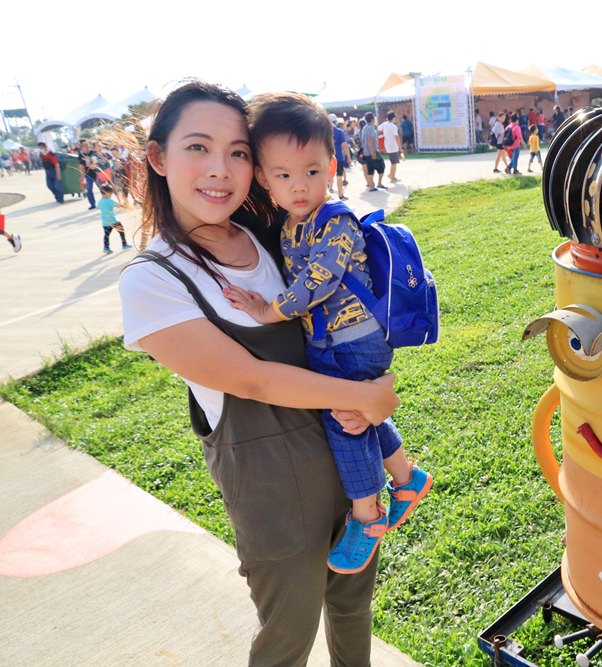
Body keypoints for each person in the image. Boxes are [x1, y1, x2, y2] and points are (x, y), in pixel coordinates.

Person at [118, 81, 400, 666]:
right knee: (287, 639)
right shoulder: (153, 280)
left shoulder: (277, 237)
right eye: (198, 147)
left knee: (352, 609)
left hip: (349, 466)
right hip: (274, 496)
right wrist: (367, 396)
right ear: (159, 158)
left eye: (239, 153)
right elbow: (251, 379)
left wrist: (373, 387)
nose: (220, 169)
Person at [221, 92, 433, 574]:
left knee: (346, 421)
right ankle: (407, 478)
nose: (300, 186)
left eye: (312, 172)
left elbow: (320, 281)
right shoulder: (292, 225)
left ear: (332, 164)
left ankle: (367, 515)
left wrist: (269, 310)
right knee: (361, 413)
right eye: (284, 175)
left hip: (355, 339)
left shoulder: (336, 220)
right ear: (263, 178)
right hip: (330, 342)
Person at [96, 184, 132, 254]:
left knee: (106, 235)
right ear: (106, 193)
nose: (111, 195)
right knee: (121, 231)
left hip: (105, 222)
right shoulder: (109, 201)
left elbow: (99, 207)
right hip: (113, 221)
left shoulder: (99, 202)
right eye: (111, 193)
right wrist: (126, 205)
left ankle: (106, 247)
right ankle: (124, 244)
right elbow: (119, 206)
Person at [360, 112, 385, 191]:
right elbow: (370, 141)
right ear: (372, 119)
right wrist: (373, 153)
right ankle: (379, 183)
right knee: (381, 167)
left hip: (366, 152)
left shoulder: (364, 127)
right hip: (372, 151)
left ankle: (371, 186)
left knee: (370, 170)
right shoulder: (370, 128)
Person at [77, 139, 103, 209]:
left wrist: (93, 165)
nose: (85, 148)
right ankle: (92, 204)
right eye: (83, 147)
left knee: (101, 188)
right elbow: (81, 166)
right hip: (88, 174)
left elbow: (97, 162)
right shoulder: (81, 155)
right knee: (89, 189)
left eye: (86, 146)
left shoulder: (93, 152)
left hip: (96, 173)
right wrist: (82, 176)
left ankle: (104, 201)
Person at [330, 115, 351, 200]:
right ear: (336, 122)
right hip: (338, 158)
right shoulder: (339, 132)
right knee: (339, 176)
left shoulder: (323, 132)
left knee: (328, 176)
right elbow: (344, 145)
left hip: (327, 158)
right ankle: (340, 195)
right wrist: (348, 157)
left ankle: (328, 194)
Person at [379, 111, 403, 184]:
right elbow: (397, 137)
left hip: (387, 145)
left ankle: (392, 176)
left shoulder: (384, 124)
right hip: (393, 146)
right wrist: (400, 147)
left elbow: (378, 129)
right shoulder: (393, 126)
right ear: (393, 118)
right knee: (394, 163)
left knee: (393, 162)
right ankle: (392, 177)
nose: (396, 119)